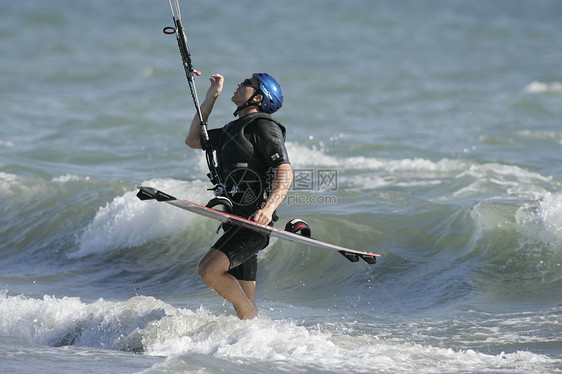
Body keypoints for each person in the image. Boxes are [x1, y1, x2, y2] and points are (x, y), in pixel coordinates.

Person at [185, 73, 293, 319]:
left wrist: (268, 209)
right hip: (234, 221)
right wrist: (211, 97)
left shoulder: (264, 126)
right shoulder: (231, 130)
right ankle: (253, 342)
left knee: (208, 270)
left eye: (247, 83)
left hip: (253, 224)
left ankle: (254, 317)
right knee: (245, 314)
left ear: (258, 96)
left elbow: (285, 171)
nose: (239, 84)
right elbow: (192, 140)